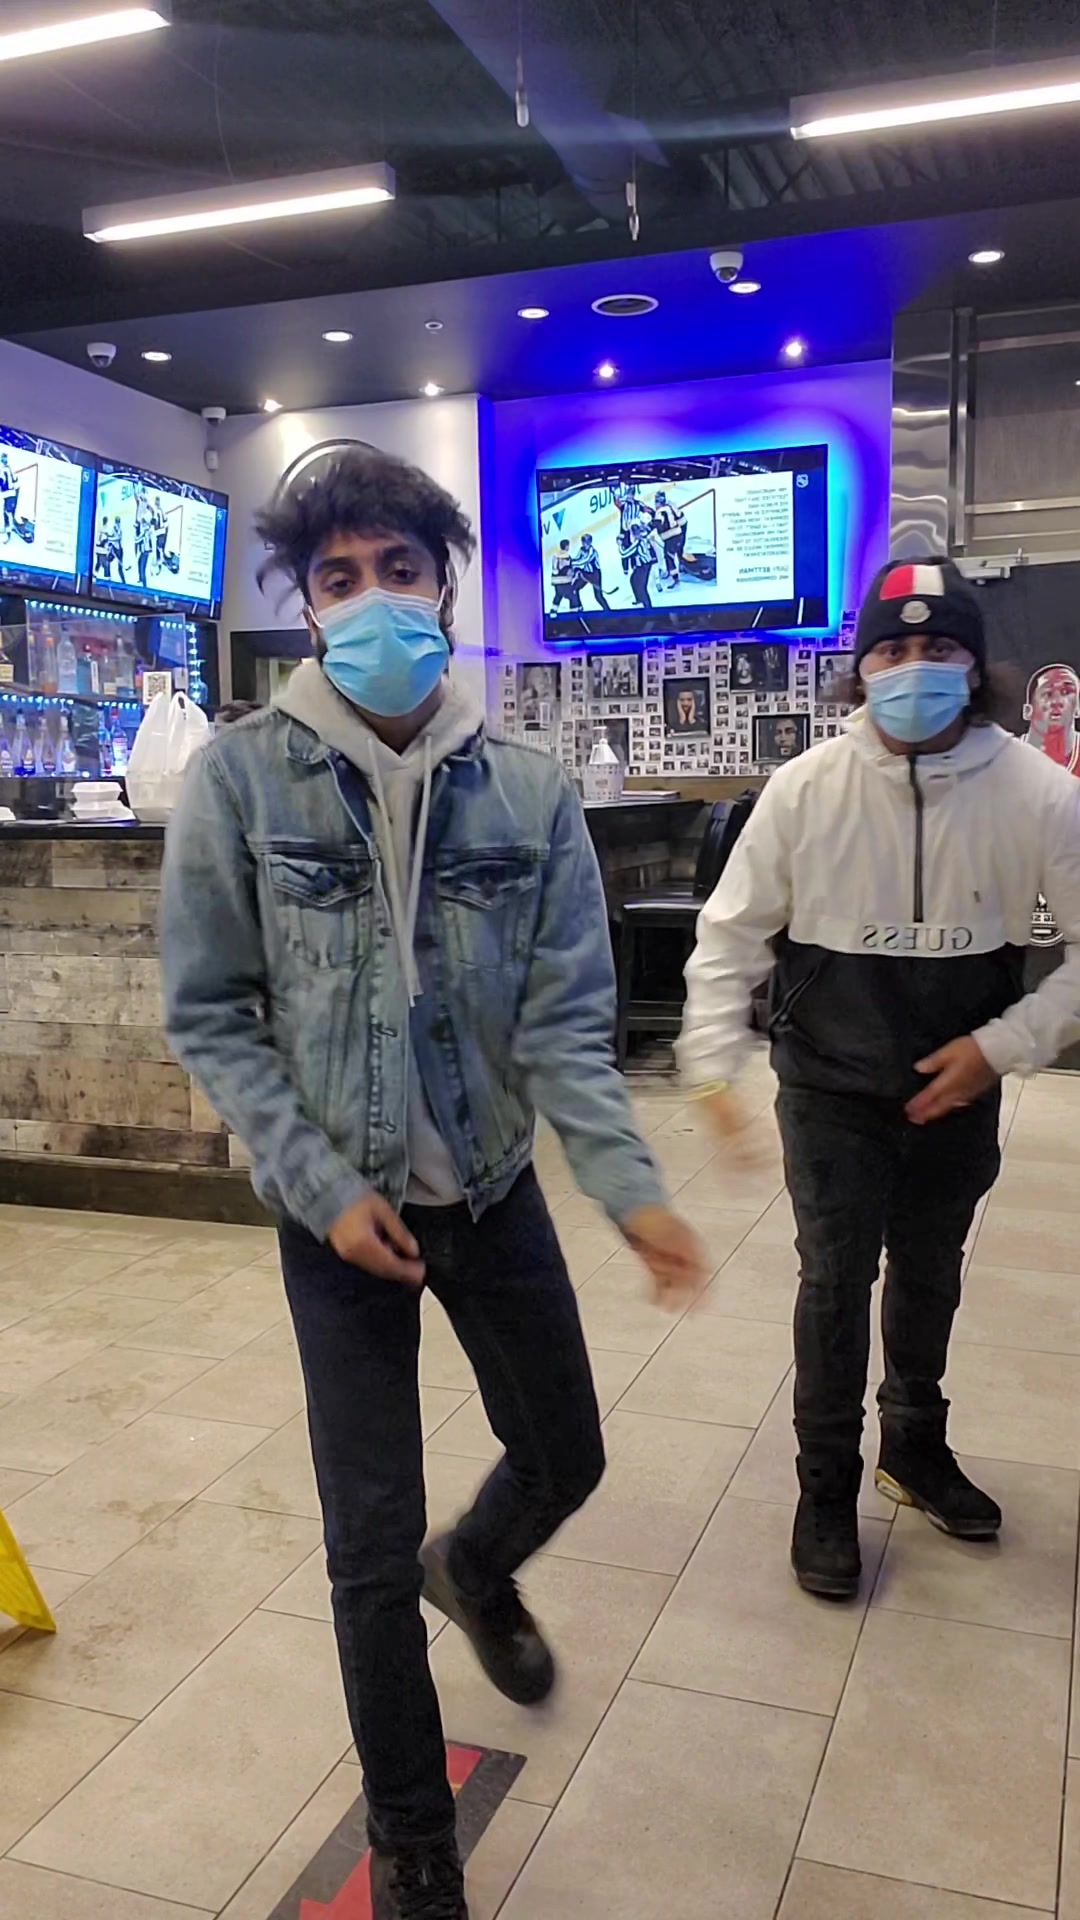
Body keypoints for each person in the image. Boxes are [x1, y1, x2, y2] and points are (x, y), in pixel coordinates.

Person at [160, 445, 704, 1920]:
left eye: (399, 568)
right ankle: (413, 1840)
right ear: (307, 607)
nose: (374, 599)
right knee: (362, 1546)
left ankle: (476, 1564)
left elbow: (569, 1024)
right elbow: (211, 1011)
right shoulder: (238, 780)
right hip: (336, 1217)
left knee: (568, 1453)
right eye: (338, 577)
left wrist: (629, 1189)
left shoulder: (526, 790)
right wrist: (317, 1183)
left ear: (446, 586)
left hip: (494, 1189)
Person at [678, 556, 1080, 1601]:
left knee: (931, 1270)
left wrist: (1005, 1045)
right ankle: (825, 1487)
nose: (914, 668)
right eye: (892, 650)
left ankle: (914, 1445)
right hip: (830, 1085)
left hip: (959, 1084)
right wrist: (710, 1066)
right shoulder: (806, 789)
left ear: (974, 666)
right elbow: (730, 936)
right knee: (834, 1279)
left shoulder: (1040, 793)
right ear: (860, 670)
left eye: (937, 647)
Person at [1022, 662, 1080, 775]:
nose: (1057, 701)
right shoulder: (1007, 756)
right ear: (1028, 711)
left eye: (1066, 692)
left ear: (1078, 707)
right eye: (1048, 694)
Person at [652, 490, 686, 586]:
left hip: (671, 538)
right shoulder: (670, 506)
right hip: (679, 534)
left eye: (656, 501)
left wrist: (648, 526)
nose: (655, 504)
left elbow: (657, 524)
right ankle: (680, 567)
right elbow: (681, 518)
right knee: (676, 552)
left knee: (669, 557)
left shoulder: (659, 512)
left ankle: (675, 578)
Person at [570, 532, 610, 611]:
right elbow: (577, 558)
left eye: (587, 542)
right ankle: (579, 607)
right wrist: (572, 562)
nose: (585, 544)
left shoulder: (593, 552)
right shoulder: (581, 550)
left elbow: (583, 561)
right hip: (586, 573)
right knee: (574, 588)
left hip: (595, 575)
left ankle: (608, 611)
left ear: (590, 542)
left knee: (598, 596)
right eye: (583, 542)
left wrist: (571, 563)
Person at [549, 537, 580, 611]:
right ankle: (574, 613)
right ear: (566, 546)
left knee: (558, 595)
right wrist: (574, 575)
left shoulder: (555, 556)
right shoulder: (567, 557)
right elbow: (569, 570)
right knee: (573, 597)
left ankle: (553, 611)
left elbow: (555, 570)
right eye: (568, 546)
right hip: (565, 581)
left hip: (556, 582)